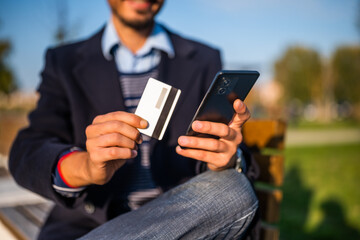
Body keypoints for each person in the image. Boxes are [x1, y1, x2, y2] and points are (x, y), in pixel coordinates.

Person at [9, 0, 259, 239]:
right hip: (89, 225)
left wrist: (226, 159)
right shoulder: (63, 61)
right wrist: (85, 166)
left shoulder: (204, 59)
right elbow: (29, 149)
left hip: (184, 218)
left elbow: (230, 151)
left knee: (234, 192)